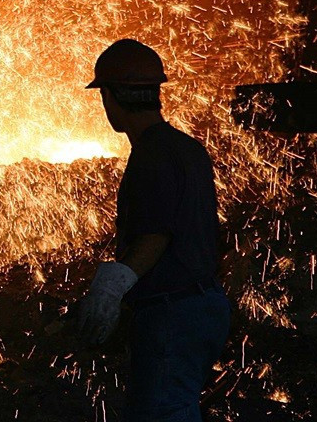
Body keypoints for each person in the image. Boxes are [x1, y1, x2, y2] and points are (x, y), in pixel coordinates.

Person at [73, 39, 230, 422]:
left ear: (109, 96)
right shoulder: (187, 148)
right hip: (204, 305)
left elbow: (155, 236)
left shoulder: (150, 155)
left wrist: (111, 288)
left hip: (172, 315)